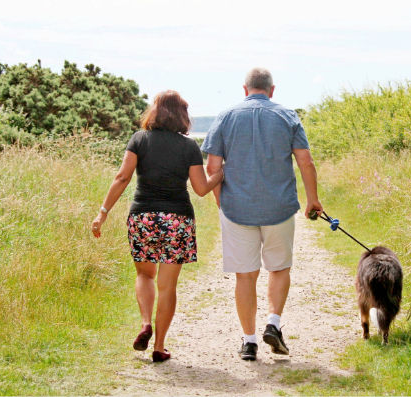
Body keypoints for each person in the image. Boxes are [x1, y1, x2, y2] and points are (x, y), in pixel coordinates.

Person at [91, 90, 223, 363]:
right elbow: (200, 189)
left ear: (155, 111)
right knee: (168, 286)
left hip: (144, 217)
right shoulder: (188, 147)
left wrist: (102, 213)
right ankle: (159, 346)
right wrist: (219, 174)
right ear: (183, 115)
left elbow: (122, 177)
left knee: (144, 276)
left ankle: (144, 323)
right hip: (177, 220)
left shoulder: (139, 139)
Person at [201, 68, 322, 361]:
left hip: (236, 208)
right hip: (279, 207)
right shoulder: (288, 116)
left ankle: (249, 341)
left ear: (245, 89)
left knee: (245, 276)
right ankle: (273, 322)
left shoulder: (226, 116)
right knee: (279, 268)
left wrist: (221, 201)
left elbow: (213, 168)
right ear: (272, 89)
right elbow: (305, 161)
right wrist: (313, 200)